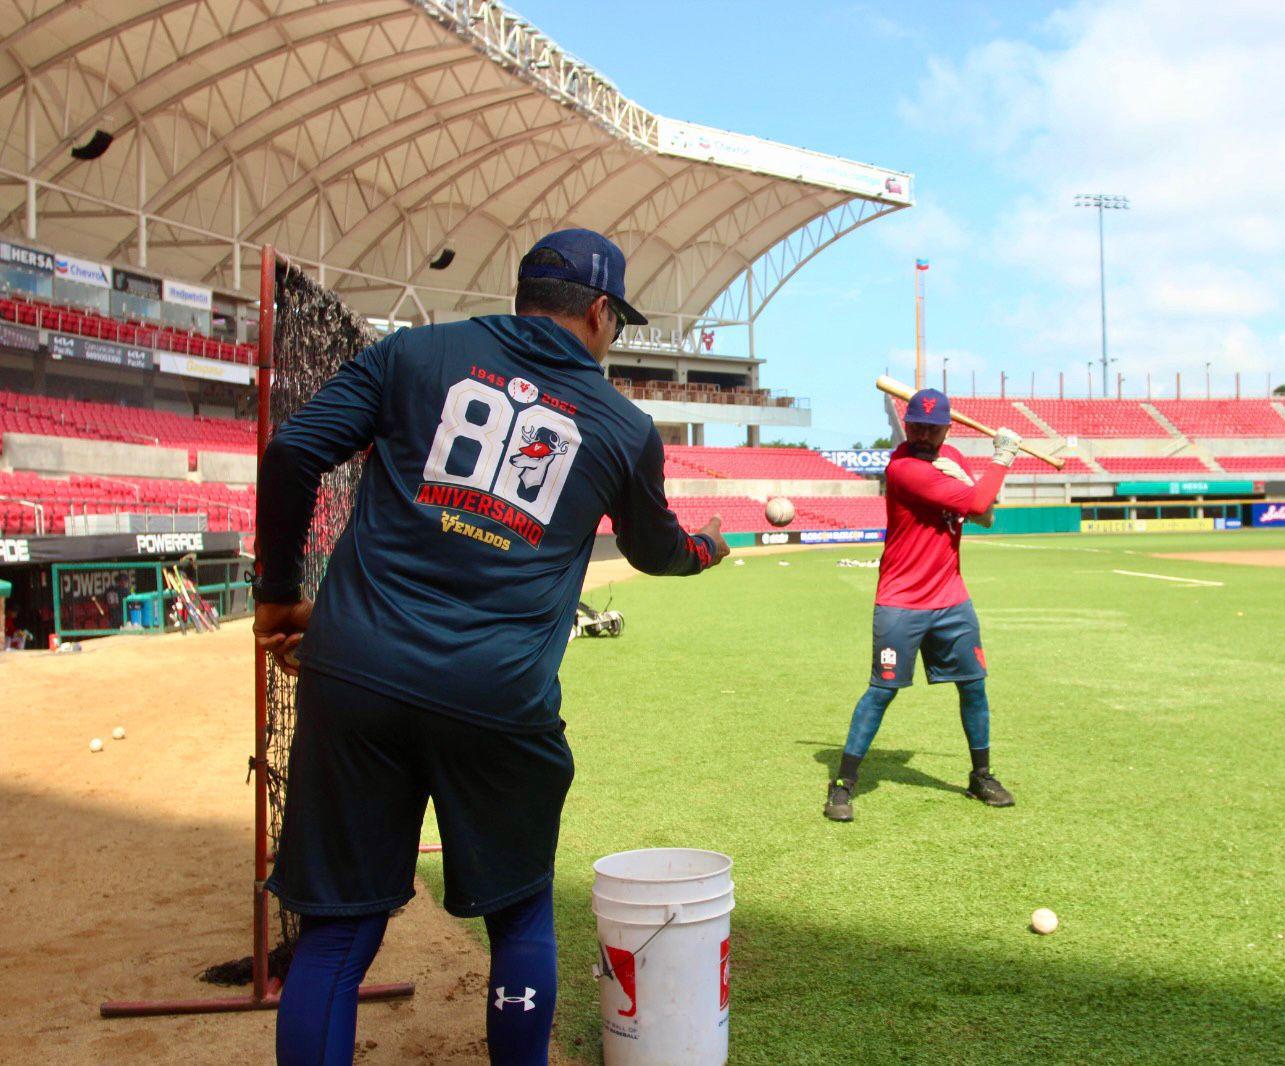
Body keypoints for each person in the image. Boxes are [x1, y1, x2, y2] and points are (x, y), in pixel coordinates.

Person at [252, 228, 728, 1066]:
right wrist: (707, 551)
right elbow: (658, 553)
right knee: (518, 915)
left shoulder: (413, 354)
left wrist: (279, 594)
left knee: (336, 937)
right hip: (496, 699)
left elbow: (293, 451)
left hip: (357, 672)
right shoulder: (622, 425)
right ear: (600, 312)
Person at [825, 387, 1021, 822]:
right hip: (902, 600)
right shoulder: (904, 469)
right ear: (905, 424)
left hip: (951, 596)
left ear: (947, 428)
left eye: (932, 428)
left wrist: (972, 480)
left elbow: (985, 514)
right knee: (883, 690)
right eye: (916, 425)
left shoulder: (951, 457)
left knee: (973, 685)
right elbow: (977, 502)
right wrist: (1003, 459)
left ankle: (981, 776)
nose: (923, 434)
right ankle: (842, 783)